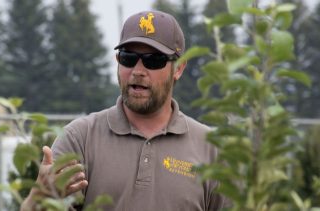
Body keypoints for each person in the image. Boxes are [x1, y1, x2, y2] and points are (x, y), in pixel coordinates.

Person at [21, 10, 229, 211]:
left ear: (179, 68)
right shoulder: (80, 138)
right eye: (128, 57)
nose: (138, 71)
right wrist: (38, 199)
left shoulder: (210, 149)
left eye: (153, 60)